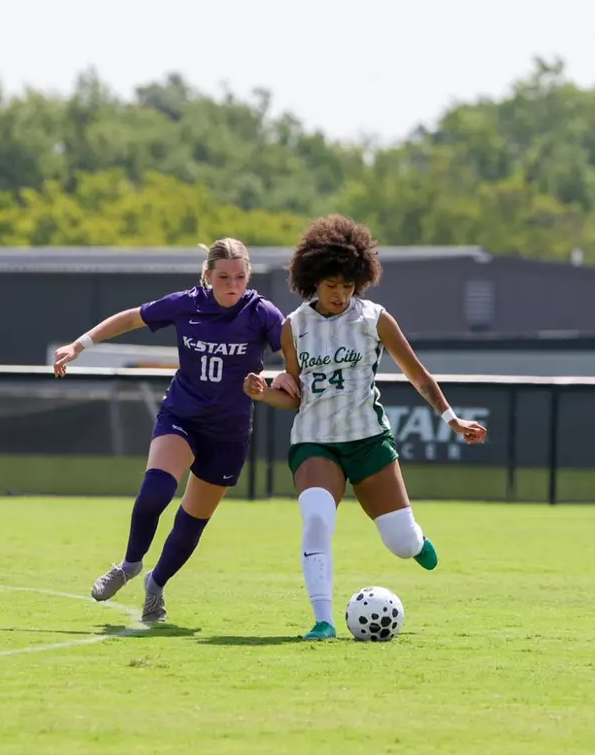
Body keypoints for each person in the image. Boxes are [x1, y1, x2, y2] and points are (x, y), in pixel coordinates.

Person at [245, 215, 487, 640]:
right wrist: (264, 393)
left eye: (347, 285)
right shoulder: (293, 327)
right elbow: (295, 393)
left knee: (399, 542)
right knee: (317, 520)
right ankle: (322, 621)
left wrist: (452, 419)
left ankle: (414, 540)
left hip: (368, 440)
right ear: (312, 282)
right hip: (315, 442)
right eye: (331, 285)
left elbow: (419, 376)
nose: (340, 294)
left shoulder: (375, 319)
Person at [53, 239, 286, 624]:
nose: (232, 284)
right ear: (208, 275)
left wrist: (281, 382)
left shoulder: (261, 313)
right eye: (223, 276)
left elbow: (291, 356)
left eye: (240, 276)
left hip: (228, 432)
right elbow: (131, 318)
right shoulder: (187, 303)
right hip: (183, 416)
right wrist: (80, 345)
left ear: (249, 276)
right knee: (154, 492)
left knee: (191, 522)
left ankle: (155, 585)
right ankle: (128, 565)